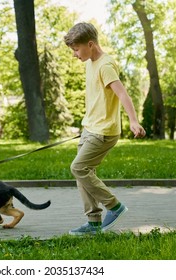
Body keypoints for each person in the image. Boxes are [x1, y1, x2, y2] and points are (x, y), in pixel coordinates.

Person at [64, 22, 146, 235]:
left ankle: (114, 206)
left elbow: (122, 94)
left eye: (76, 49)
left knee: (78, 168)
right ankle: (93, 223)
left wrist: (134, 121)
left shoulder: (105, 65)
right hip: (90, 128)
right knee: (83, 173)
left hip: (104, 132)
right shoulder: (90, 63)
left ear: (90, 44)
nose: (74, 54)